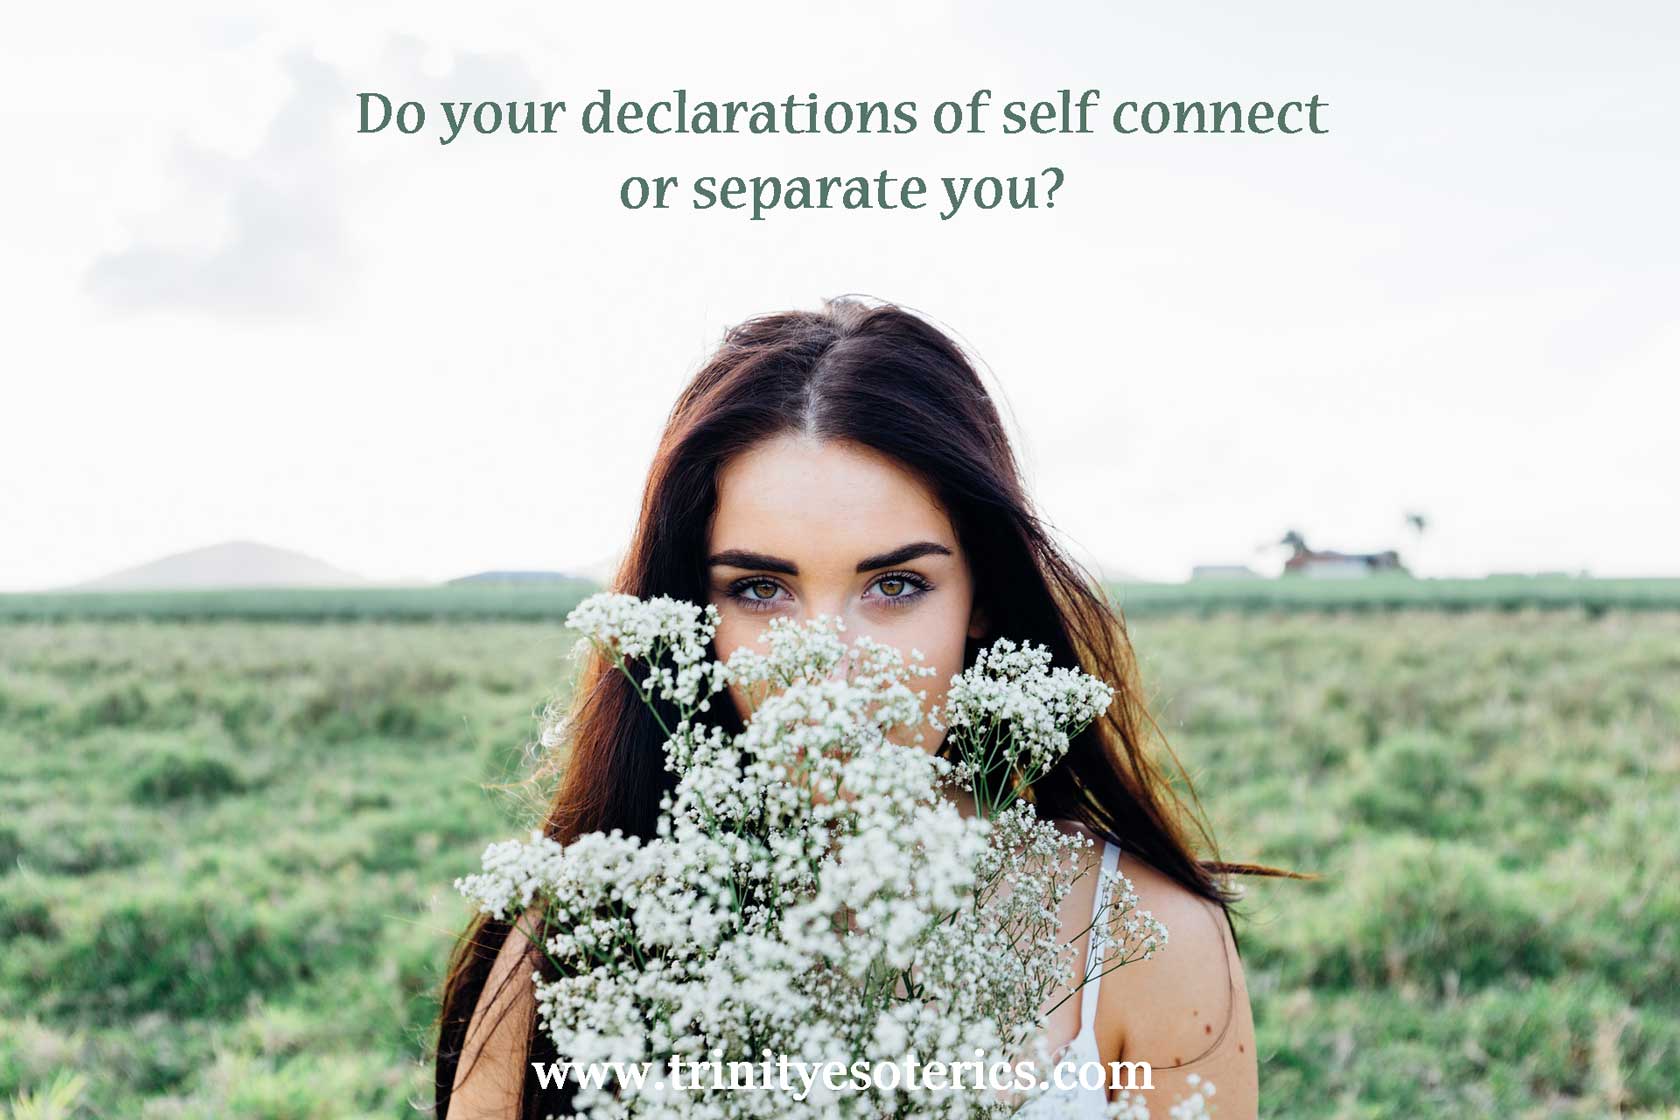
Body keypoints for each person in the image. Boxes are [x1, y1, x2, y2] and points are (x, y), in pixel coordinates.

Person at [434, 295, 1302, 1119]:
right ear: (687, 617)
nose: (830, 667)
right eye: (760, 588)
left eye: (895, 584)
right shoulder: (583, 936)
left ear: (982, 599)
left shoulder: (1149, 941)